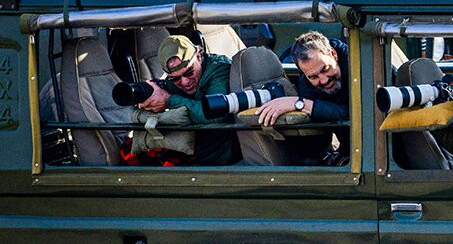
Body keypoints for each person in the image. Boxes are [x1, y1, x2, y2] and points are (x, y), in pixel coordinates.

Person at [137, 35, 239, 166]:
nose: (185, 82)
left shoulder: (219, 69)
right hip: (193, 154)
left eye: (189, 72)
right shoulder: (171, 83)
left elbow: (215, 117)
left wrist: (169, 100)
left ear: (198, 57)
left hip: (223, 158)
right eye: (176, 78)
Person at [256, 31, 349, 164]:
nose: (323, 80)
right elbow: (315, 147)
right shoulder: (307, 85)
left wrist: (301, 104)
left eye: (325, 69)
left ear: (333, 54)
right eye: (313, 76)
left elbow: (360, 115)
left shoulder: (362, 66)